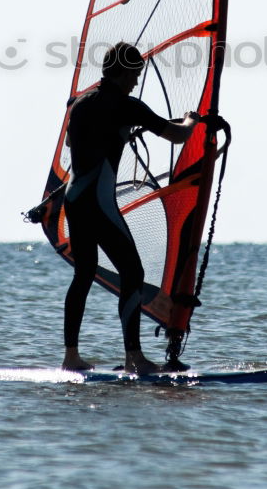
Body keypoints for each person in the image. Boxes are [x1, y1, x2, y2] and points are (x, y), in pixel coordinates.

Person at [61, 41, 200, 375]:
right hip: (98, 201)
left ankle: (71, 357)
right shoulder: (128, 106)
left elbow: (72, 143)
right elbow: (177, 136)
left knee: (83, 274)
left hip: (74, 199)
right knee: (134, 274)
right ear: (123, 72)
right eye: (135, 74)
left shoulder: (79, 104)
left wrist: (119, 132)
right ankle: (134, 358)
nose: (136, 81)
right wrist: (191, 119)